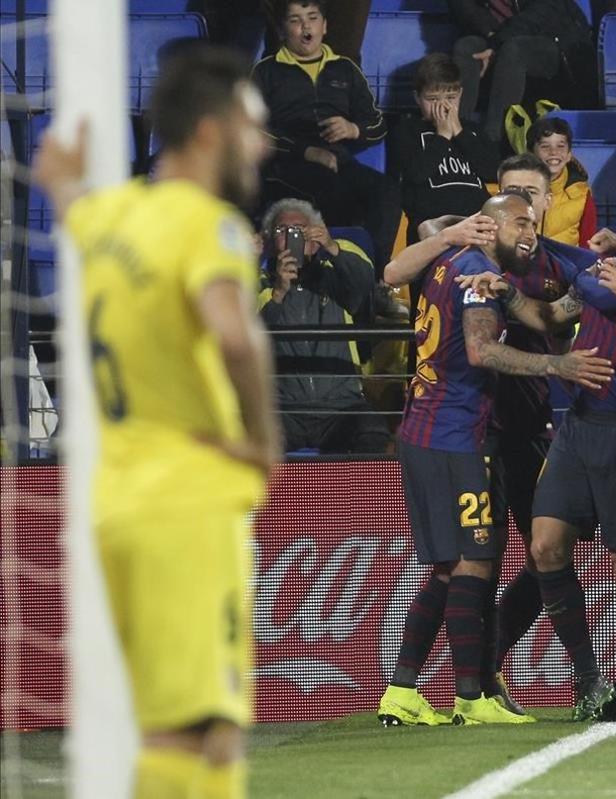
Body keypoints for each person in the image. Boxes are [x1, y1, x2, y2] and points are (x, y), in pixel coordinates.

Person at [33, 45, 279, 797]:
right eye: (251, 125)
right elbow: (235, 334)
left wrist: (59, 178)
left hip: (116, 500)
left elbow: (72, 202)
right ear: (210, 132)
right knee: (198, 727)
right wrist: (262, 440)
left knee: (195, 728)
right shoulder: (209, 227)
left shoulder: (111, 216)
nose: (263, 143)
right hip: (187, 498)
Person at [458, 171, 616, 723]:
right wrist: (510, 295)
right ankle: (588, 674)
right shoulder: (602, 270)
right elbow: (550, 316)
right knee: (544, 546)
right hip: (578, 427)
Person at [378, 192, 613, 726]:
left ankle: (402, 690)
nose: (530, 233)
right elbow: (483, 351)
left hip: (427, 427)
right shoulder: (477, 276)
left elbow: (540, 311)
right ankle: (471, 697)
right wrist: (559, 365)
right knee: (474, 562)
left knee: (447, 569)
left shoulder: (453, 260)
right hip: (455, 434)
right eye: (520, 223)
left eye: (535, 224)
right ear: (490, 225)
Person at [252, 0, 402, 263]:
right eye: (295, 20)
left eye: (312, 18)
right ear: (282, 30)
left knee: (386, 190)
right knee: (333, 190)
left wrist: (354, 129)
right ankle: (326, 271)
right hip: (286, 165)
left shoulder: (345, 69)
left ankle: (375, 277)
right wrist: (306, 151)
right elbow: (255, 132)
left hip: (339, 160)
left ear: (325, 26)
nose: (305, 26)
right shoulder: (266, 71)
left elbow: (377, 125)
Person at [258, 198, 389, 454]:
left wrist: (331, 246)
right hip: (283, 408)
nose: (293, 237)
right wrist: (278, 293)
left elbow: (364, 282)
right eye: (283, 231)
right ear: (271, 242)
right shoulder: (260, 282)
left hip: (341, 406)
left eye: (300, 230)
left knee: (372, 430)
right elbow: (251, 334)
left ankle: (349, 495)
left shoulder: (337, 273)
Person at [389, 54, 497, 248]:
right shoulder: (407, 130)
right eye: (432, 99)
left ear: (460, 95)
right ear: (417, 98)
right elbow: (416, 174)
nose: (442, 106)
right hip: (434, 225)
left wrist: (459, 133)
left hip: (477, 221)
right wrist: (442, 137)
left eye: (450, 98)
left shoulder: (472, 130)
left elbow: (491, 171)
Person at [449, 0, 594, 142]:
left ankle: (494, 138)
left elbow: (540, 13)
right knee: (467, 48)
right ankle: (458, 133)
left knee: (514, 49)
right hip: (501, 38)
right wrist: (491, 35)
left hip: (557, 45)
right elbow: (465, 9)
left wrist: (498, 43)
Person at [527, 116, 598, 247]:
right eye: (545, 146)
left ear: (569, 154)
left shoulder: (582, 194)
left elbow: (588, 246)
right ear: (531, 152)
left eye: (560, 146)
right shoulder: (516, 190)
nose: (553, 152)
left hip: (567, 266)